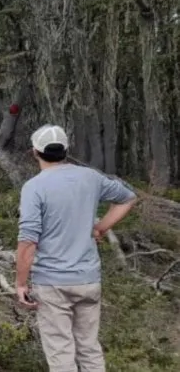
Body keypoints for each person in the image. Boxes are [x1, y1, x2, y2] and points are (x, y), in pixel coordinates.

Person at [16, 124, 137, 372]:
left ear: (35, 152)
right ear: (66, 150)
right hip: (88, 279)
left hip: (52, 283)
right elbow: (128, 198)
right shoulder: (90, 177)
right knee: (89, 349)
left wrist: (20, 284)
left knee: (61, 353)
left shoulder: (34, 187)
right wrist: (101, 228)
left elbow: (28, 241)